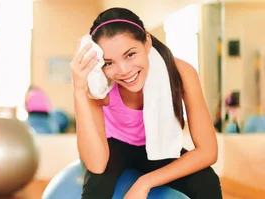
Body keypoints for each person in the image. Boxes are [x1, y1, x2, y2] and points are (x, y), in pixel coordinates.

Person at [70, 8, 222, 199]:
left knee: (206, 181)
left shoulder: (181, 73)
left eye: (130, 54)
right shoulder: (98, 86)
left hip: (158, 144)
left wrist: (145, 182)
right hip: (112, 147)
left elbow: (208, 152)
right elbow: (97, 164)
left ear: (147, 42)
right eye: (109, 63)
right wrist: (79, 91)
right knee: (97, 188)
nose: (123, 70)